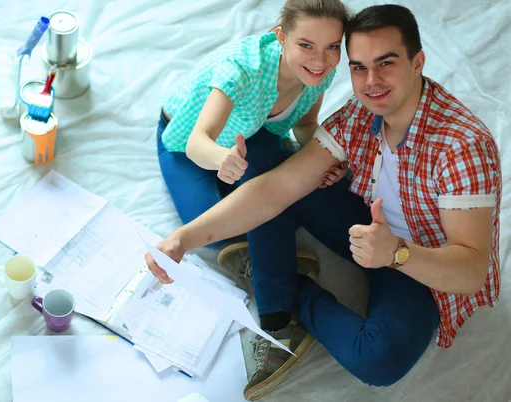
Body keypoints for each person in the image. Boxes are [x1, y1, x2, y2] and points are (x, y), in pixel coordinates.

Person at [145, 4, 502, 401]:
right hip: (364, 220)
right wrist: (182, 239)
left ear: (418, 61)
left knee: (378, 360)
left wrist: (398, 253)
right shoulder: (358, 112)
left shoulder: (463, 147)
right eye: (359, 67)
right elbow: (274, 189)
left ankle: (293, 287)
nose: (372, 82)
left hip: (421, 264)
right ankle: (275, 300)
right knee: (266, 162)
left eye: (386, 63)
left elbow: (472, 271)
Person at [157, 0, 350, 249]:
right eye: (306, 45)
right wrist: (221, 159)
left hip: (252, 132)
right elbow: (197, 142)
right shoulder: (241, 70)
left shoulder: (322, 73)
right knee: (212, 233)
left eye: (332, 47)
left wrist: (329, 156)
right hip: (184, 141)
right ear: (281, 36)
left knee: (292, 201)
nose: (320, 61)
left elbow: (305, 124)